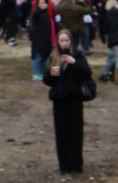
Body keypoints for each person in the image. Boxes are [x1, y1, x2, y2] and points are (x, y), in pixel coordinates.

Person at [43, 29, 91, 174]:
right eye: (62, 40)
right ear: (58, 42)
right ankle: (64, 165)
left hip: (74, 99)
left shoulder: (77, 54)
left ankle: (76, 164)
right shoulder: (53, 57)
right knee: (62, 134)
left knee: (75, 133)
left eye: (67, 40)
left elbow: (87, 73)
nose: (64, 43)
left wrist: (74, 63)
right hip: (59, 100)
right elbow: (46, 80)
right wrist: (51, 75)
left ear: (71, 41)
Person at [98, 0, 118, 84]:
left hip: (114, 39)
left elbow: (105, 27)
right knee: (110, 57)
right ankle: (104, 74)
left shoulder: (109, 14)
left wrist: (103, 34)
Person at [29, 0, 56, 80]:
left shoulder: (46, 14)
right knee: (37, 58)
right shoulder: (36, 14)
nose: (44, 5)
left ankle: (43, 73)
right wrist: (40, 10)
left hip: (46, 40)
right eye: (42, 3)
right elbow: (35, 15)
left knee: (45, 58)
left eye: (45, 3)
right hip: (38, 40)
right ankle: (36, 73)